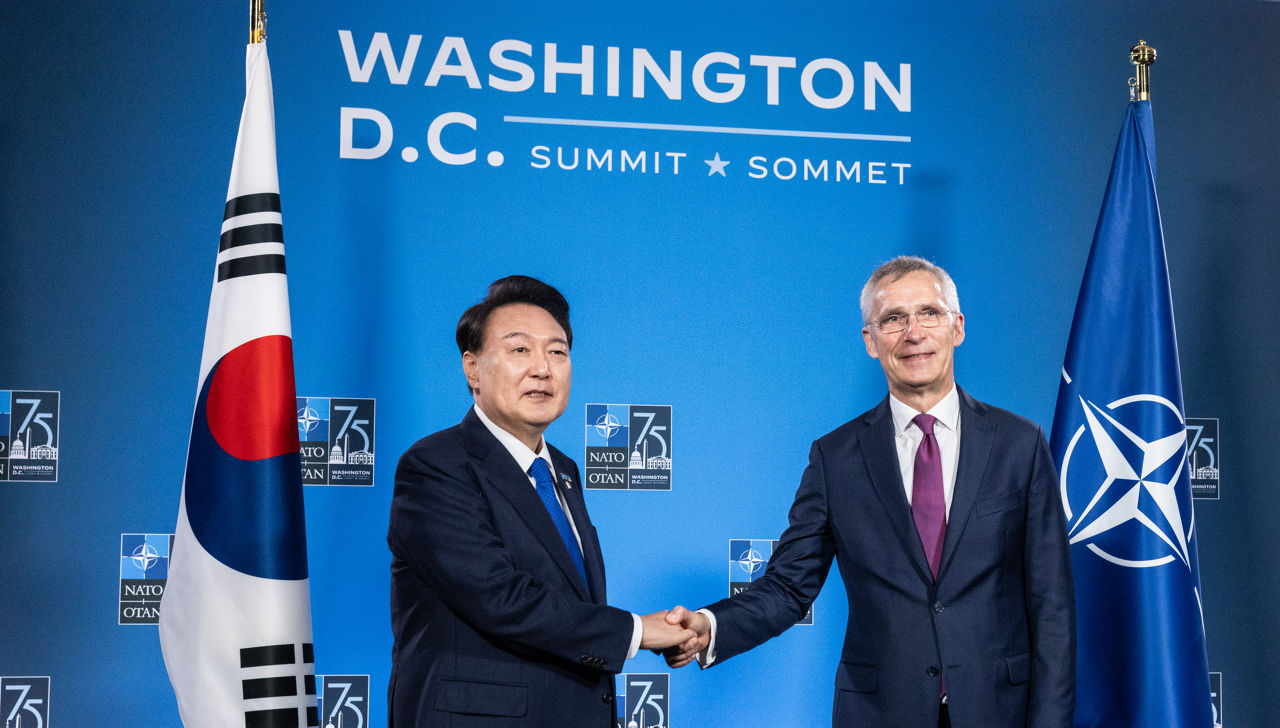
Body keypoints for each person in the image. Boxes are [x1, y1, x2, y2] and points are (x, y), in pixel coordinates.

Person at [664, 256, 1075, 728]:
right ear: (870, 341)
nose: (913, 332)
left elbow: (1053, 605)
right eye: (893, 319)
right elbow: (788, 586)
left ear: (957, 327)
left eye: (929, 313)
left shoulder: (1020, 444)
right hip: (880, 713)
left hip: (1001, 711)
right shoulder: (835, 458)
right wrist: (711, 626)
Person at [388, 275, 694, 727]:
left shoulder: (564, 472)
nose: (543, 368)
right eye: (519, 350)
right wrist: (637, 632)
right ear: (472, 369)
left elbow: (570, 605)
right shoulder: (436, 466)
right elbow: (499, 598)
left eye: (557, 351)